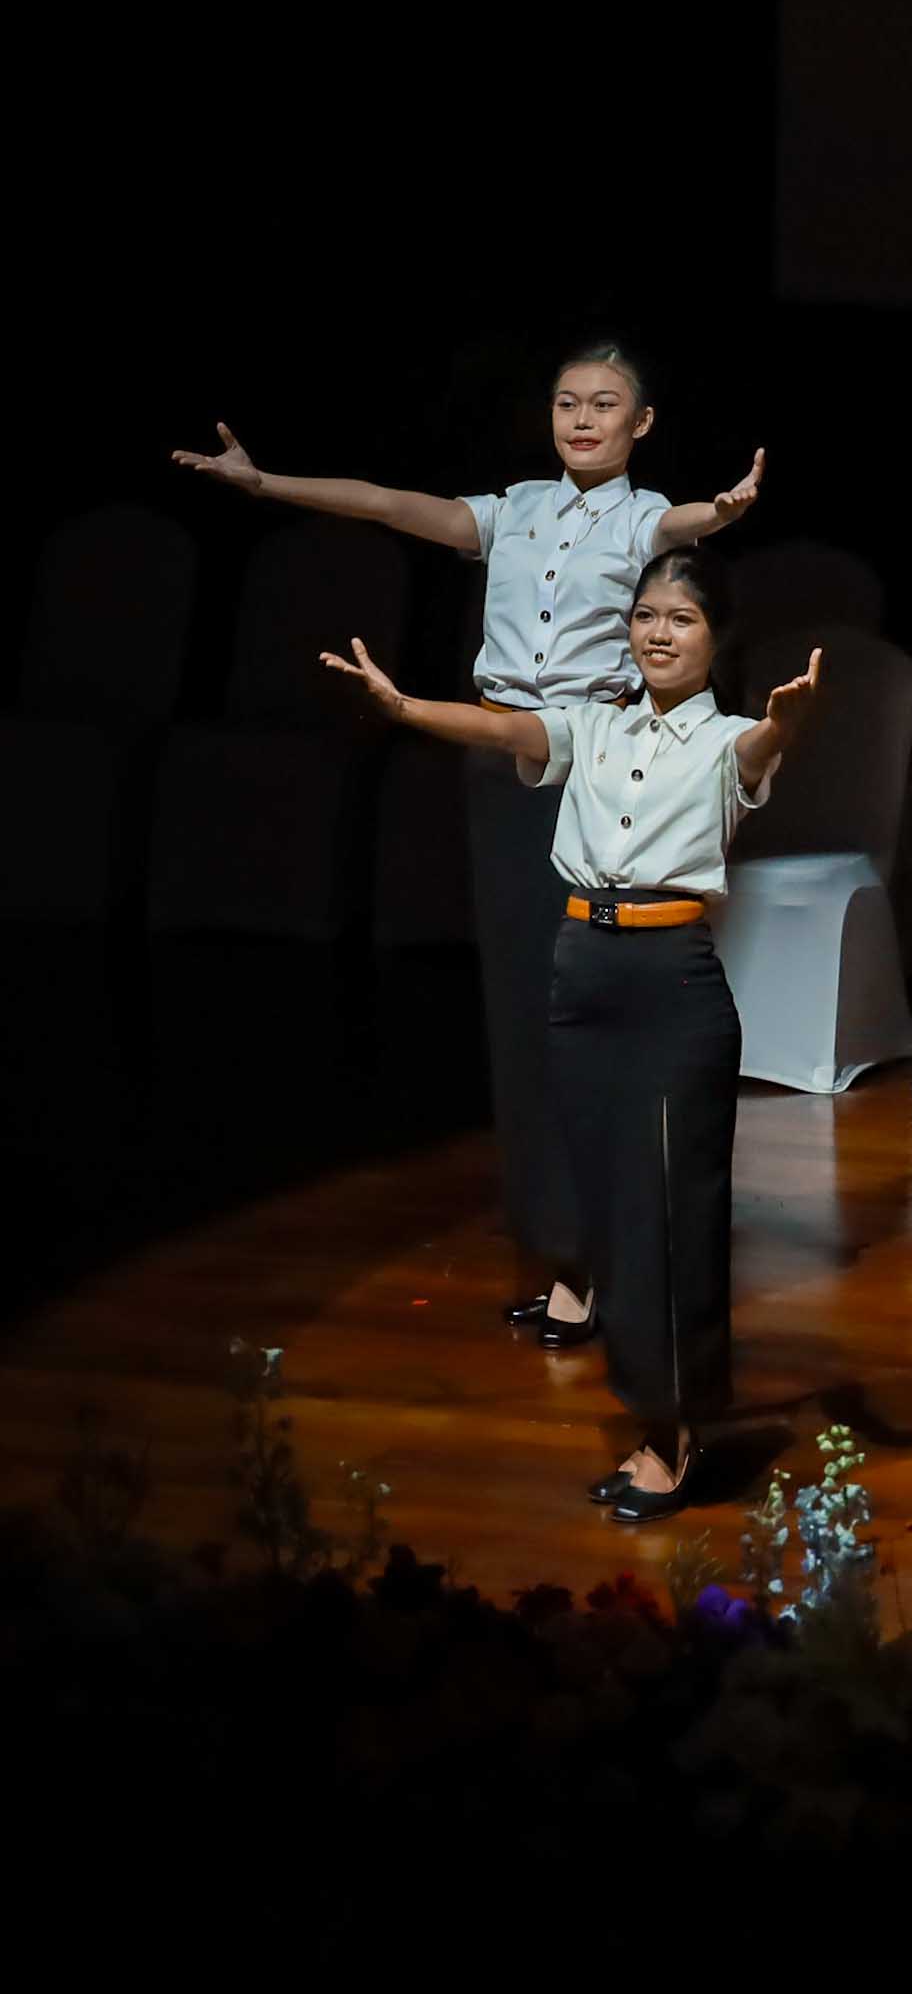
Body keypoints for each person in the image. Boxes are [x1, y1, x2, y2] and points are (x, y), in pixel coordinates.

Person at [176, 346, 763, 1346]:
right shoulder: (514, 507)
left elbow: (686, 526)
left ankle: (607, 1263)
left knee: (577, 1012)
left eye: (605, 405)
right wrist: (265, 483)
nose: (583, 419)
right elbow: (388, 504)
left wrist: (725, 510)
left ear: (642, 424)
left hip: (581, 765)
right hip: (496, 761)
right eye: (567, 402)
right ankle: (566, 1254)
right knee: (521, 1020)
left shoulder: (643, 516)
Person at [321, 550, 821, 1519]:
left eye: (682, 617)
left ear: (717, 638)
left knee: (666, 1216)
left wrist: (788, 721)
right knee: (608, 1216)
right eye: (646, 614)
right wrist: (404, 706)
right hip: (581, 972)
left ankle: (674, 1437)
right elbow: (503, 725)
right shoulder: (592, 724)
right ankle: (650, 1418)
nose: (659, 632)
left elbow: (764, 747)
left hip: (670, 982)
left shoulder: (728, 739)